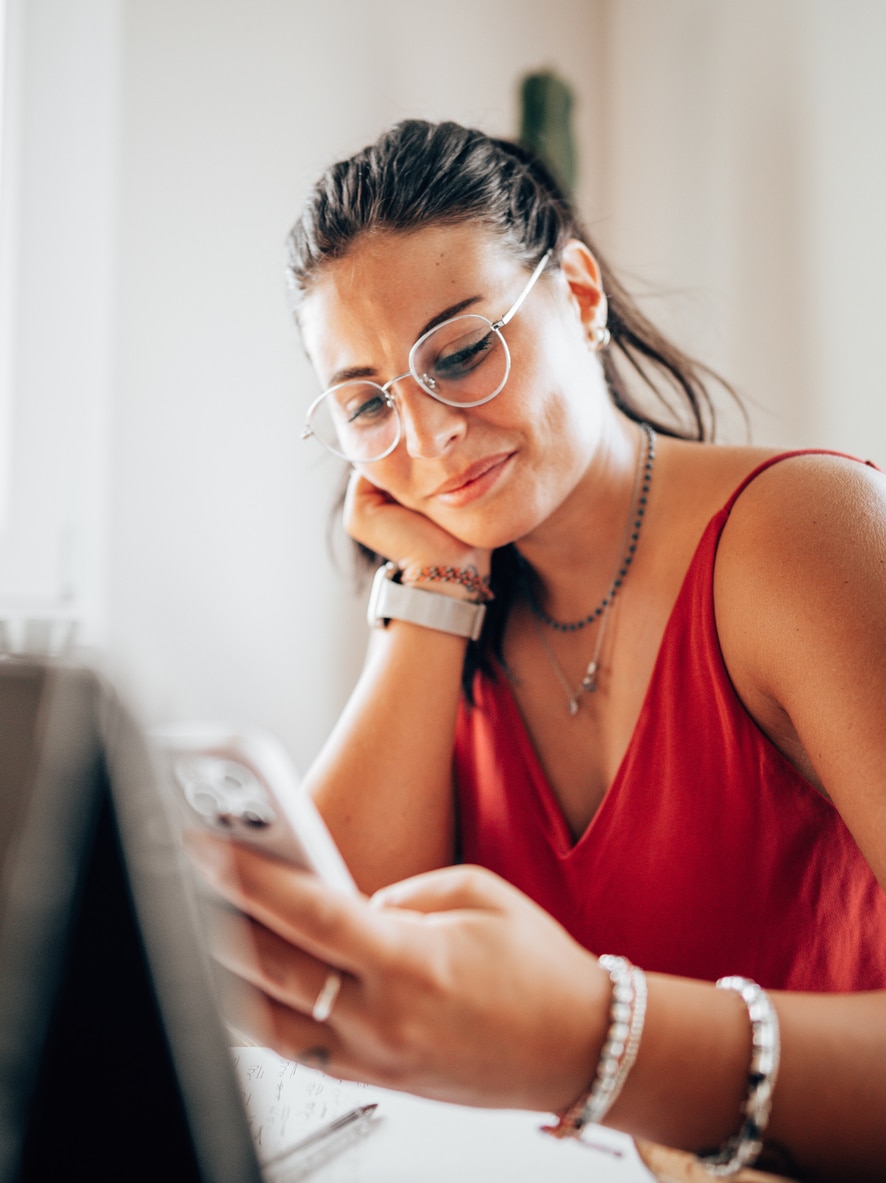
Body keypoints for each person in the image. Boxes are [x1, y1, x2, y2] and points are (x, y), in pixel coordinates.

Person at [190, 119, 886, 1179]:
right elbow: (328, 990)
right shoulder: (457, 607)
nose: (427, 439)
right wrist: (435, 589)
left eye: (462, 352)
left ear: (579, 295)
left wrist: (594, 1035)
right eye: (369, 402)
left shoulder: (805, 533)